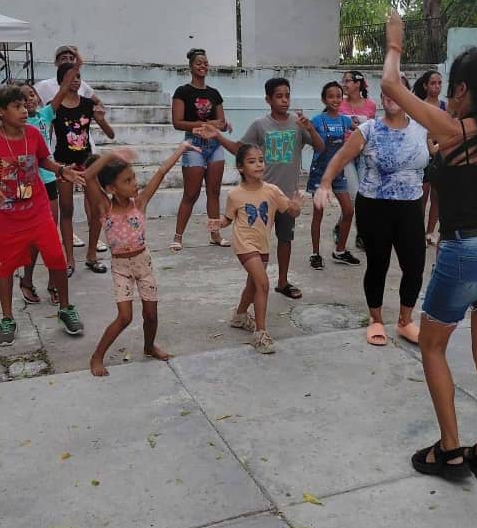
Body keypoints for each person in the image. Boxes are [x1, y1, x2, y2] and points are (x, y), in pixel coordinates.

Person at [381, 6, 477, 487]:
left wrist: (396, 45)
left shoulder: (457, 129)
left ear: (462, 91)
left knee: (433, 347)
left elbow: (392, 89)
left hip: (466, 252)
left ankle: (449, 449)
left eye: (454, 87)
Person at [0, 86, 85, 346]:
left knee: (56, 257)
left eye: (24, 105)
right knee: (5, 268)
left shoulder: (32, 133)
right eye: (17, 107)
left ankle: (65, 307)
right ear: (0, 111)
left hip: (37, 210)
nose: (24, 110)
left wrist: (62, 171)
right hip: (5, 218)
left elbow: (44, 161)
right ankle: (7, 318)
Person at [314, 78, 429, 346]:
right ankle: (376, 320)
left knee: (414, 266)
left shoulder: (422, 128)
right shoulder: (370, 129)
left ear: (408, 95)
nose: (390, 96)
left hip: (411, 205)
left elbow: (451, 140)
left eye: (396, 91)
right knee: (379, 264)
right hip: (375, 205)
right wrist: (326, 183)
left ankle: (405, 320)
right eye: (386, 91)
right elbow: (342, 156)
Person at [197, 77, 324, 299]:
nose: (284, 100)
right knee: (256, 244)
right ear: (268, 99)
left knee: (285, 240)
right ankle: (256, 282)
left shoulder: (298, 122)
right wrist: (217, 135)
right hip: (260, 196)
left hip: (285, 197)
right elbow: (239, 149)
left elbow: (320, 147)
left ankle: (282, 282)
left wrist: (310, 129)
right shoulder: (260, 125)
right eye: (279, 96)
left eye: (287, 95)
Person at [84, 142, 196, 376]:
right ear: (110, 188)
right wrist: (110, 155)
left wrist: (181, 148)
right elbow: (88, 176)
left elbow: (161, 171)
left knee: (151, 314)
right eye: (127, 181)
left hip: (143, 263)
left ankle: (148, 347)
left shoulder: (141, 203)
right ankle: (97, 356)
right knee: (125, 317)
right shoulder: (105, 207)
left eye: (134, 178)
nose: (135, 183)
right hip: (121, 267)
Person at [208, 144, 303, 354]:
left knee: (252, 286)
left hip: (263, 245)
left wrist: (296, 205)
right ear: (241, 168)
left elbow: (291, 212)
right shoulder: (235, 194)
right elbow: (229, 218)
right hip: (244, 245)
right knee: (263, 284)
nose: (258, 164)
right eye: (252, 161)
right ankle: (260, 334)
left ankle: (240, 316)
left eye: (261, 160)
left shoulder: (272, 191)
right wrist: (218, 224)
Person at [16, 62, 77, 304]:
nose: (29, 100)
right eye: (21, 99)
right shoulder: (17, 124)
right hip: (26, 183)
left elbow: (62, 91)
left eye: (31, 94)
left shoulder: (45, 114)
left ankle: (53, 282)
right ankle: (27, 279)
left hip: (49, 178)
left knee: (50, 234)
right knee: (32, 237)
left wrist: (74, 67)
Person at [35, 45, 104, 251]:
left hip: (84, 149)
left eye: (71, 56)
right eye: (63, 56)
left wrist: (98, 112)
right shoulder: (46, 87)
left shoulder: (82, 86)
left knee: (91, 199)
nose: (67, 59)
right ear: (56, 63)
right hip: (60, 150)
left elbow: (96, 102)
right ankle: (69, 239)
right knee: (66, 206)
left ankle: (94, 240)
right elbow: (37, 107)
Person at [52, 61, 115, 276]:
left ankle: (91, 255)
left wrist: (101, 119)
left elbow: (111, 134)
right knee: (67, 210)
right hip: (64, 164)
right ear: (62, 81)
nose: (76, 80)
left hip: (87, 163)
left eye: (79, 76)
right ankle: (69, 259)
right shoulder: (55, 106)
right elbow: (44, 132)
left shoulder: (88, 104)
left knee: (97, 208)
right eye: (71, 77)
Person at [170, 48, 230, 250]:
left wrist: (213, 125)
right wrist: (205, 125)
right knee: (191, 193)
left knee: (214, 191)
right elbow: (177, 122)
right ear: (191, 66)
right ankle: (178, 237)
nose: (203, 66)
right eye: (199, 63)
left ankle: (215, 233)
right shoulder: (183, 92)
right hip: (193, 145)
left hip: (214, 146)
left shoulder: (214, 93)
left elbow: (221, 122)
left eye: (205, 63)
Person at [307, 81, 360, 269]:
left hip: (338, 174)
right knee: (318, 214)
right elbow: (308, 139)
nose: (335, 100)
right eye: (331, 96)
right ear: (324, 99)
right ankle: (315, 254)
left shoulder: (345, 120)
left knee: (348, 210)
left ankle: (340, 250)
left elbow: (361, 131)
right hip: (320, 175)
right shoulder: (316, 120)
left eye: (338, 96)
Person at [337, 71, 377, 250]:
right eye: (343, 81)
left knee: (363, 195)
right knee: (354, 196)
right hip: (345, 154)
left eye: (347, 81)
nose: (344, 84)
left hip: (363, 154)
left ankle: (356, 231)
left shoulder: (370, 105)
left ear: (358, 84)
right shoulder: (339, 104)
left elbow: (373, 131)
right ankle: (350, 227)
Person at [413, 70, 446, 245]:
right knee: (422, 195)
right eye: (433, 83)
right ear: (425, 85)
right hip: (423, 155)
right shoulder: (419, 106)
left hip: (440, 155)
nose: (437, 86)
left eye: (439, 83)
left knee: (437, 196)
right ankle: (417, 231)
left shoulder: (445, 106)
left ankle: (429, 232)